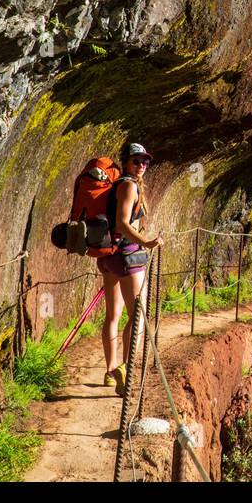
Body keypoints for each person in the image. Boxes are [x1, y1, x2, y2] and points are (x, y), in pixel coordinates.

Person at [101, 141, 163, 395]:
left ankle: (110, 370)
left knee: (113, 315)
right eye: (136, 161)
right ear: (126, 161)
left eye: (145, 161)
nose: (142, 166)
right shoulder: (128, 186)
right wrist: (146, 242)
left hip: (108, 255)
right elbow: (122, 224)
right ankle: (125, 370)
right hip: (127, 257)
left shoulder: (120, 185)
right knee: (138, 315)